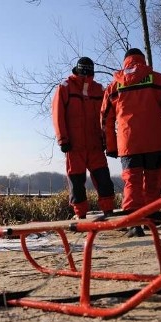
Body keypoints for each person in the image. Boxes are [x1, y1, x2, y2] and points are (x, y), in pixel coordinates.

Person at [101, 48, 161, 237]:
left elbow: (105, 119)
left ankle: (133, 223)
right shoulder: (159, 80)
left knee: (132, 182)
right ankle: (152, 218)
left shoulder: (114, 86)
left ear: (125, 62)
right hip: (155, 142)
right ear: (143, 61)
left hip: (128, 143)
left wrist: (111, 146)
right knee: (153, 181)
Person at [51, 57, 116, 219]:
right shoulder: (65, 87)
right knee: (77, 181)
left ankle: (108, 212)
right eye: (84, 69)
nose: (87, 72)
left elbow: (107, 116)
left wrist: (107, 141)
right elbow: (57, 115)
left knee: (104, 180)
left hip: (95, 145)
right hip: (74, 145)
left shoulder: (99, 89)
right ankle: (80, 216)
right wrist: (63, 139)